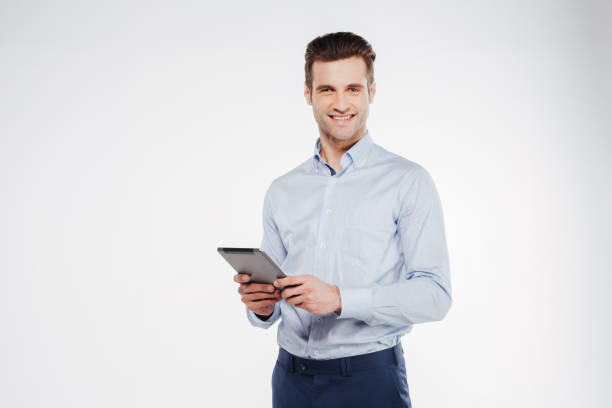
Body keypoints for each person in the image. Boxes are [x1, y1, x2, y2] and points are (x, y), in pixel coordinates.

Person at [233, 31, 452, 408]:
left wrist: (339, 299)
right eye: (327, 90)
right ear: (308, 94)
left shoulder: (407, 181)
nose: (341, 103)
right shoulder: (283, 189)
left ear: (371, 91)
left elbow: (435, 297)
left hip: (369, 381)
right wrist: (262, 305)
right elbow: (272, 294)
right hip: (290, 380)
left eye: (353, 88)